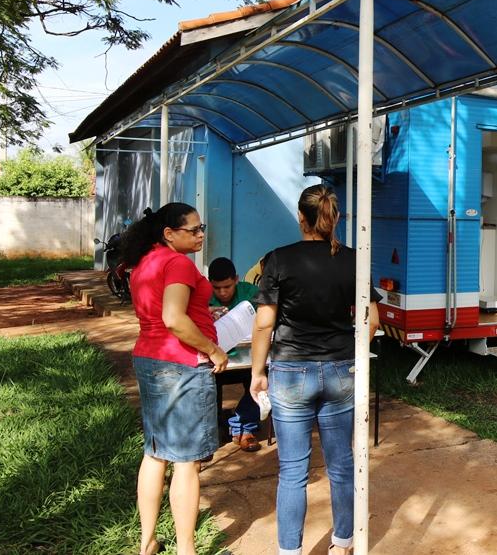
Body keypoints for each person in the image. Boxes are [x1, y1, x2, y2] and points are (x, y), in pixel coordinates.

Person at [249, 184, 381, 555]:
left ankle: (290, 551)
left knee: (293, 470)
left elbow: (263, 323)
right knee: (341, 465)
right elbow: (371, 321)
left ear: (301, 217)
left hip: (291, 372)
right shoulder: (354, 258)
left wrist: (257, 371)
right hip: (341, 371)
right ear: (336, 218)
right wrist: (352, 353)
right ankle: (342, 544)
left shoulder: (278, 259)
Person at [122, 203, 228, 555]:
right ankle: (187, 550)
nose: (201, 235)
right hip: (181, 363)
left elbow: (166, 310)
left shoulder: (146, 261)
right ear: (169, 233)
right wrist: (213, 349)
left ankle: (147, 541)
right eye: (194, 230)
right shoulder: (178, 263)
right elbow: (173, 318)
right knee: (186, 462)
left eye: (203, 229)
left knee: (155, 453)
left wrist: (203, 312)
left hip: (149, 358)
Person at [208, 256, 261, 452]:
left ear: (236, 279)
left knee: (266, 379)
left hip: (248, 357)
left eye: (227, 286)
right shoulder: (202, 298)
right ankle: (218, 427)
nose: (222, 292)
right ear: (209, 284)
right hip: (216, 361)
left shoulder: (251, 292)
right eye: (217, 288)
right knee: (205, 384)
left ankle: (244, 426)